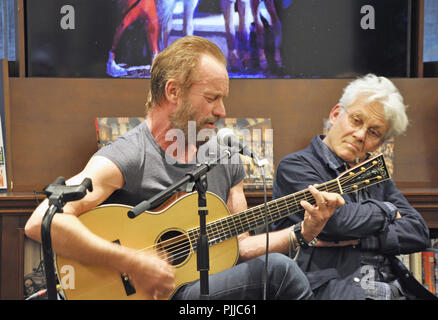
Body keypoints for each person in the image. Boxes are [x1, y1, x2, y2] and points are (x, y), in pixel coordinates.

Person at [25, 36, 344, 300]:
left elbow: (242, 246)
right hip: (153, 292)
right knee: (279, 270)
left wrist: (303, 233)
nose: (222, 111)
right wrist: (133, 262)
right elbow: (42, 221)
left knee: (276, 271)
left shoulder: (224, 155)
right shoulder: (130, 155)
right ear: (173, 91)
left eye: (223, 99)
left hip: (208, 289)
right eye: (211, 98)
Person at [270, 74, 430, 299]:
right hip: (334, 291)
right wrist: (386, 209)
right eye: (356, 120)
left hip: (391, 288)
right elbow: (336, 222)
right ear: (336, 115)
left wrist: (364, 237)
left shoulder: (377, 176)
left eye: (373, 132)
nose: (360, 135)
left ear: (379, 144)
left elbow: (418, 231)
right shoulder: (296, 166)